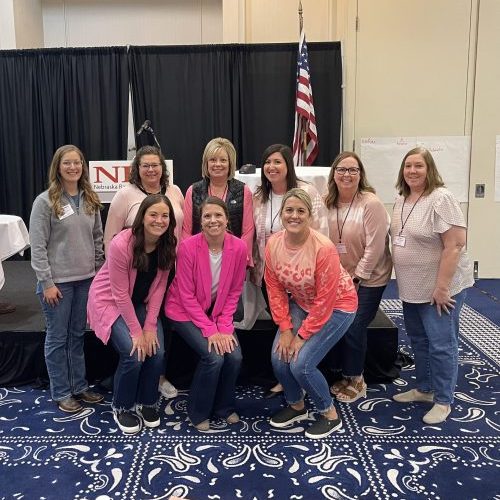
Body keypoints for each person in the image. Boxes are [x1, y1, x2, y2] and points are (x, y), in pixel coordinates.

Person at [265, 188, 358, 439]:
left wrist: (301, 336)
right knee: (278, 357)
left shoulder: (323, 248)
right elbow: (273, 288)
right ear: (281, 213)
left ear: (310, 217)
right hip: (302, 303)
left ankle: (329, 414)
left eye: (300, 211)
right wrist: (285, 329)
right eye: (289, 210)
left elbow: (326, 300)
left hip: (338, 306)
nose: (294, 216)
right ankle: (296, 405)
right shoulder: (273, 244)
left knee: (301, 364)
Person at [390, 147, 474, 425]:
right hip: (412, 287)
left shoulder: (442, 199)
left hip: (439, 289)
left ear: (430, 169)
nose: (412, 171)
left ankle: (443, 400)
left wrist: (442, 287)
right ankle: (425, 389)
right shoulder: (402, 198)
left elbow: (455, 245)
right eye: (408, 166)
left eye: (419, 166)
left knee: (441, 344)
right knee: (418, 340)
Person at [88, 194, 177, 434]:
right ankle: (122, 407)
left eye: (165, 216)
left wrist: (149, 328)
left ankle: (147, 401)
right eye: (153, 214)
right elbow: (118, 294)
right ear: (142, 217)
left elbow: (159, 289)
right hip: (109, 301)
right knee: (133, 352)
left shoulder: (168, 245)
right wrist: (137, 333)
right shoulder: (122, 244)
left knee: (156, 352)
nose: (159, 220)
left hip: (141, 302)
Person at [104, 145, 183, 399]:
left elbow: (185, 229)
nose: (151, 169)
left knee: (162, 326)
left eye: (155, 164)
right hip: (132, 273)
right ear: (137, 169)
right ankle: (128, 380)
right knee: (134, 338)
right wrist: (114, 273)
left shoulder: (175, 191)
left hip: (169, 265)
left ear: (163, 168)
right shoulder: (124, 195)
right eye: (145, 165)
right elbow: (110, 237)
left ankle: (158, 376)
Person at [29, 144, 105, 413]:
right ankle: (61, 391)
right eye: (67, 163)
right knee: (57, 338)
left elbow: (97, 239)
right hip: (57, 284)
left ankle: (79, 386)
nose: (73, 167)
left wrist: (98, 274)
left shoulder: (90, 199)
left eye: (77, 162)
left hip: (86, 280)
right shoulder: (45, 201)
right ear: (58, 167)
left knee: (76, 336)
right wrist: (47, 283)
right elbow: (37, 247)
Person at [251, 144, 328, 398]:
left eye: (278, 162)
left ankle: (302, 371)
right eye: (268, 162)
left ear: (288, 166)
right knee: (282, 321)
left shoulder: (306, 192)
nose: (272, 167)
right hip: (273, 270)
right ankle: (285, 376)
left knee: (308, 325)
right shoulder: (259, 195)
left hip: (306, 273)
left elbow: (322, 231)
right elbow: (255, 236)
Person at [166, 197, 247, 431]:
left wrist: (223, 327)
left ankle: (225, 407)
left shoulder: (239, 247)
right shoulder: (188, 247)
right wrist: (211, 331)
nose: (213, 220)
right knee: (213, 357)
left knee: (235, 357)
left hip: (217, 312)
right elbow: (186, 296)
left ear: (226, 219)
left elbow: (234, 292)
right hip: (181, 310)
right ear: (200, 222)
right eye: (207, 216)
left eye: (218, 215)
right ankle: (198, 411)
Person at [325, 152, 392, 402]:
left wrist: (357, 278)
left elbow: (375, 247)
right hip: (339, 278)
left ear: (360, 174)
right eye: (342, 169)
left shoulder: (370, 203)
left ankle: (357, 378)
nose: (347, 175)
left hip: (369, 278)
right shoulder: (327, 202)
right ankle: (344, 373)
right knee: (338, 325)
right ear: (334, 174)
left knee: (354, 325)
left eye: (353, 170)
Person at [182, 137, 254, 264]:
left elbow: (247, 230)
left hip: (233, 259)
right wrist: (191, 256)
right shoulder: (193, 190)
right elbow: (186, 230)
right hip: (199, 258)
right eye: (213, 160)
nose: (218, 164)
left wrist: (239, 257)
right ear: (206, 163)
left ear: (230, 163)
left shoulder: (243, 190)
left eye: (223, 160)